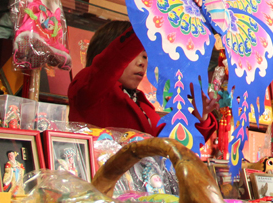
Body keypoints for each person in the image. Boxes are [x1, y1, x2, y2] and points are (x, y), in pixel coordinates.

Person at [68, 21, 218, 140]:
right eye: (134, 54)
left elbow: (170, 146)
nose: (142, 63)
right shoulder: (89, 89)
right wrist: (149, 22)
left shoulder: (143, 105)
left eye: (146, 56)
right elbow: (108, 64)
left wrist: (200, 115)